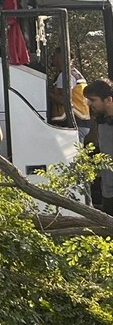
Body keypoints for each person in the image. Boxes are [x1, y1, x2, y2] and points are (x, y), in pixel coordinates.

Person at [81, 78, 113, 213]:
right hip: (107, 191)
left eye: (93, 100)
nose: (89, 104)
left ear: (108, 100)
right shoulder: (101, 122)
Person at [48, 48, 90, 141]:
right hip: (81, 122)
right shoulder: (75, 74)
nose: (52, 59)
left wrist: (48, 93)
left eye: (54, 56)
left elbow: (65, 100)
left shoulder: (65, 75)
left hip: (73, 123)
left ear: (60, 58)